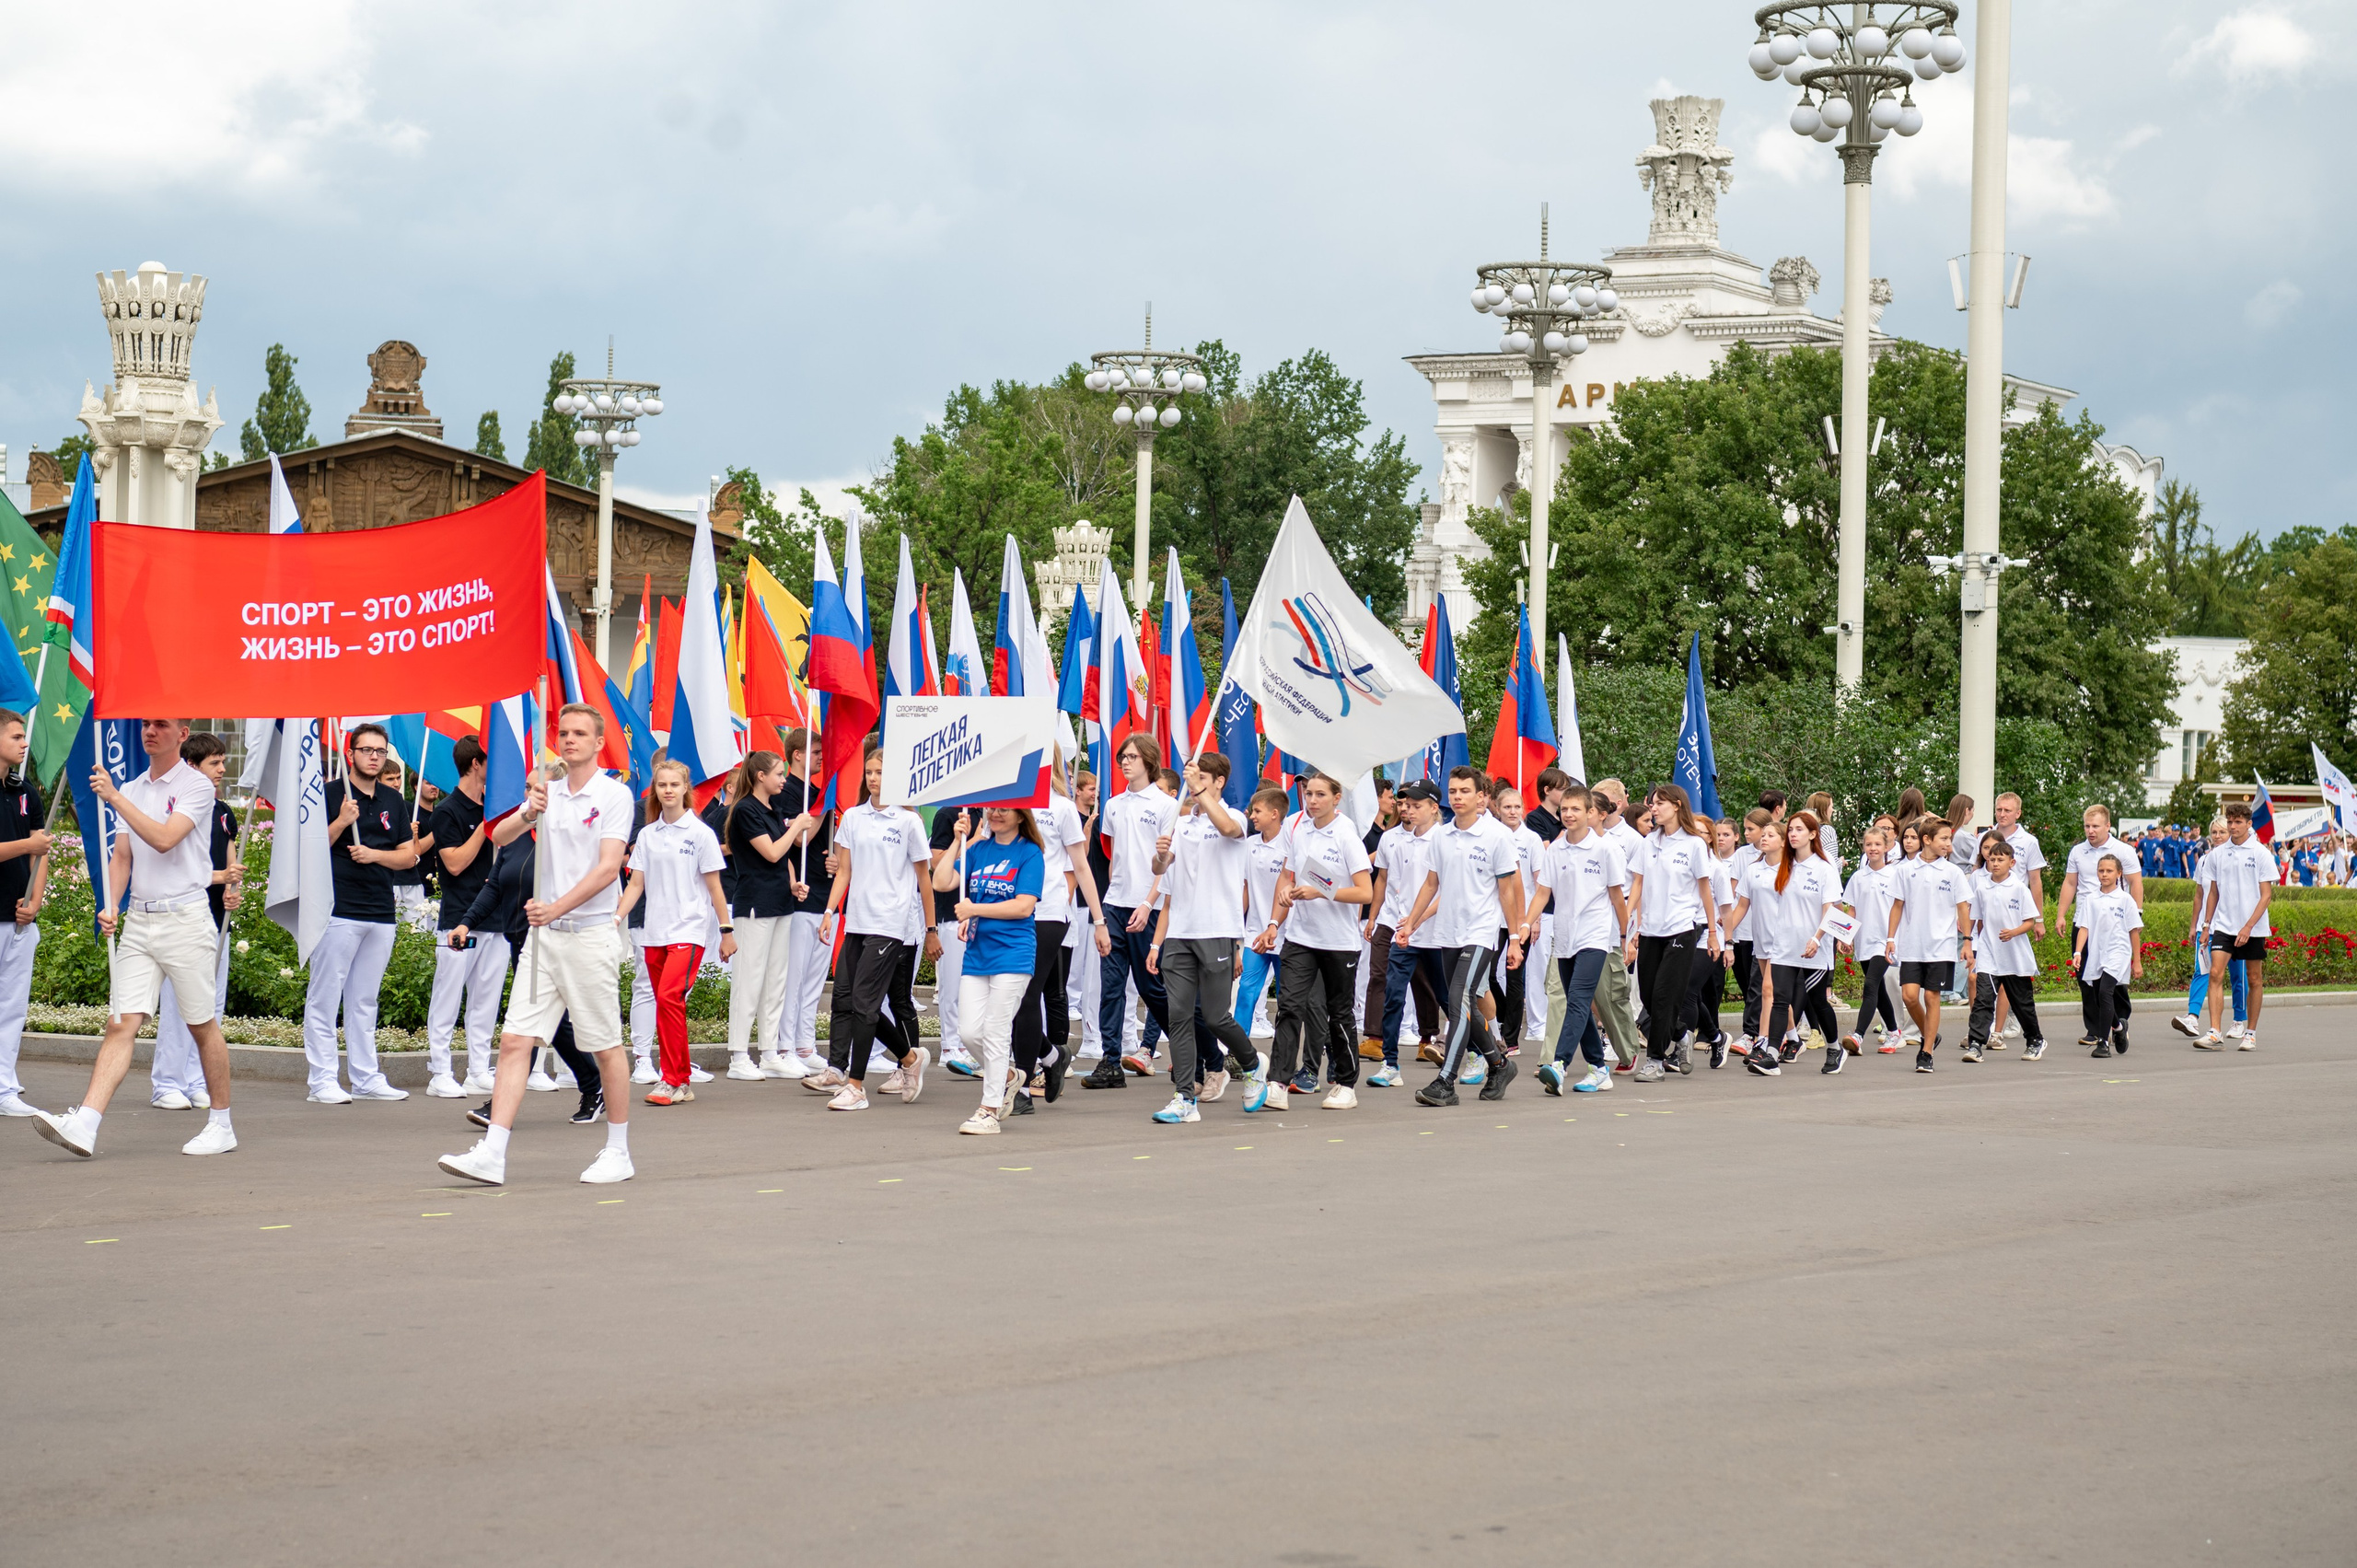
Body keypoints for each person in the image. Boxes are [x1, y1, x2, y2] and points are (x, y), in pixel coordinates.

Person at [436, 703, 638, 1186]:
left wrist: (557, 908)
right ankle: (493, 1152)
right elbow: (499, 835)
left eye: (579, 734)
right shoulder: (548, 793)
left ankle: (618, 1150)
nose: (569, 740)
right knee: (514, 1041)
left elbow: (609, 869)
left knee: (605, 1047)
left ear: (596, 741)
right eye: (563, 733)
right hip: (544, 941)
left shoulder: (613, 795)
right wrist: (531, 809)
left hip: (588, 936)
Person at [29, 718, 238, 1158]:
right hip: (140, 923)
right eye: (145, 724)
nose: (149, 731)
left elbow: (163, 839)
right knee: (121, 1022)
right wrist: (111, 902)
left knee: (202, 1025)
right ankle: (86, 1123)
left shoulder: (197, 787)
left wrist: (116, 797)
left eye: (161, 725)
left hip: (186, 918)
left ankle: (221, 1123)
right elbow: (122, 856)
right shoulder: (136, 786)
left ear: (182, 734)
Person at [302, 722, 419, 1104]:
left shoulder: (392, 800)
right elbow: (308, 849)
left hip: (381, 911)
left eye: (380, 752)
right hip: (339, 909)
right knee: (325, 996)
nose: (373, 757)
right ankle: (321, 1080)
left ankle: (366, 1077)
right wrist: (341, 821)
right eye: (366, 750)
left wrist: (374, 855)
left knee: (365, 1000)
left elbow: (408, 857)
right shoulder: (329, 793)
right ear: (350, 753)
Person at [1398, 765, 1522, 1108]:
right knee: (1465, 1005)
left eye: (1464, 791)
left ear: (1481, 797)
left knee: (1459, 999)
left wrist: (1514, 938)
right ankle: (1500, 1066)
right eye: (1452, 791)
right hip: (1448, 932)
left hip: (1481, 932)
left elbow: (1508, 892)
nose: (1457, 797)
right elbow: (1431, 884)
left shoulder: (1497, 836)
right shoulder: (1441, 836)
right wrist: (1412, 922)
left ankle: (1445, 1082)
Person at [817, 743, 933, 1110]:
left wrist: (930, 929)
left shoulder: (909, 821)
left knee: (866, 1003)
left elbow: (924, 879)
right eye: (869, 772)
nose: (873, 778)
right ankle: (911, 1059)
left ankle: (855, 1085)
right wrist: (829, 911)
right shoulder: (852, 817)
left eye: (881, 772)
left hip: (891, 922)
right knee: (850, 1000)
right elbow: (845, 870)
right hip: (858, 921)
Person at [616, 758, 735, 1105]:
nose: (668, 791)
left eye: (674, 785)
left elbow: (715, 888)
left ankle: (671, 1079)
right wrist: (615, 918)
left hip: (690, 929)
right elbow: (636, 885)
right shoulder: (647, 835)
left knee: (669, 998)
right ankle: (681, 1080)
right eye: (662, 785)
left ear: (686, 789)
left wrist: (726, 931)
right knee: (669, 1004)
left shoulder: (700, 834)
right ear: (655, 789)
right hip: (654, 931)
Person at [1144, 753, 1254, 1123]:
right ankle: (1184, 1098)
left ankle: (1253, 1066)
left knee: (1215, 1017)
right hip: (1180, 933)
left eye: (1203, 777)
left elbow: (1225, 828)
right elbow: (1163, 875)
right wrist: (1160, 858)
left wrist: (1198, 789)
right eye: (1194, 777)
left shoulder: (1234, 817)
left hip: (1218, 929)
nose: (1194, 784)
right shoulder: (1182, 823)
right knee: (1178, 1017)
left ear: (1219, 781)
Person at [1257, 771, 1375, 1111]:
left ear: (1337, 798)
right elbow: (1288, 875)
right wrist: (1274, 922)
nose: (1312, 801)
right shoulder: (1299, 830)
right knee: (1290, 1007)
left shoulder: (1346, 834)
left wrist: (1321, 890)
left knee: (1339, 1014)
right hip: (1301, 938)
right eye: (1309, 794)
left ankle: (1345, 1084)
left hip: (1339, 941)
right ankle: (1277, 1082)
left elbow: (1364, 891)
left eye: (1320, 795)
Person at [931, 805, 1044, 1133]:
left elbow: (1024, 906)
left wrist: (974, 909)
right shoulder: (978, 849)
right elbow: (941, 881)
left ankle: (989, 1109)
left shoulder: (1030, 853)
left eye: (1004, 810)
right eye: (992, 809)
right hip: (978, 955)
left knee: (995, 1032)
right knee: (969, 1032)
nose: (996, 814)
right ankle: (1009, 1076)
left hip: (1014, 954)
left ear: (1021, 815)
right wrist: (958, 840)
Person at [148, 732, 240, 1109]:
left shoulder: (224, 813)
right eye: (214, 763)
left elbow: (230, 865)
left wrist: (232, 887)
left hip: (215, 921)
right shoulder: (175, 808)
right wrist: (218, 878)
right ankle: (166, 1083)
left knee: (210, 1007)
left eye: (222, 762)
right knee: (177, 1007)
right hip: (181, 917)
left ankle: (194, 1079)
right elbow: (173, 862)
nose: (221, 769)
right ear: (191, 766)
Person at [719, 749, 819, 1082]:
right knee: (749, 980)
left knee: (775, 981)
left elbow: (784, 861)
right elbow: (774, 851)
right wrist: (799, 827)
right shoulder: (746, 809)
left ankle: (769, 1053)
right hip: (754, 905)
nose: (783, 779)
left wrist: (792, 885)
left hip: (780, 903)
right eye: (778, 773)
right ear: (760, 776)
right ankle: (737, 1056)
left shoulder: (771, 808)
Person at [1083, 735, 1177, 1090]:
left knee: (1152, 987)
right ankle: (1110, 1062)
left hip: (1146, 906)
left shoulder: (1165, 805)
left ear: (1149, 761)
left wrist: (1148, 902)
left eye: (1133, 756)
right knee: (1110, 987)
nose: (1125, 762)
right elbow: (1112, 857)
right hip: (1115, 905)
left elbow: (1167, 863)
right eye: (1123, 756)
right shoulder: (1113, 805)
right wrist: (1106, 908)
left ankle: (1187, 1051)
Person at [1011, 757, 1102, 1112]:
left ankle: (1019, 1086)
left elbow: (1080, 866)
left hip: (1048, 911)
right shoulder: (1006, 803)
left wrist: (1099, 920)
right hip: (1008, 909)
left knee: (1027, 995)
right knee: (1010, 998)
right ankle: (1050, 1055)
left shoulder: (1062, 808)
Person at [1525, 781, 1628, 1095]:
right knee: (1575, 1003)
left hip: (1595, 935)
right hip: (1565, 935)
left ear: (1591, 813)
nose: (1569, 814)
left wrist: (1626, 936)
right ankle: (1598, 1068)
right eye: (1564, 809)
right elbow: (1543, 892)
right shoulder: (1556, 849)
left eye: (1575, 809)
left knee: (1580, 999)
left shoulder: (1606, 848)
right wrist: (1525, 924)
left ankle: (1559, 1063)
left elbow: (1617, 897)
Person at [1724, 812, 1840, 1077]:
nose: (1793, 834)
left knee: (1818, 1001)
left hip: (1814, 947)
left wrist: (1818, 938)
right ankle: (1772, 1055)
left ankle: (1834, 1048)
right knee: (1778, 999)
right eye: (1791, 830)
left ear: (1812, 834)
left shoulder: (1825, 868)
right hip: (1783, 945)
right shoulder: (1784, 866)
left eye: (1799, 830)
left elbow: (1832, 908)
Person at [424, 735, 499, 1098]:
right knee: (448, 997)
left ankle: (478, 1069)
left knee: (486, 1000)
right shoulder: (447, 810)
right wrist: (486, 825)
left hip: (494, 918)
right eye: (491, 761)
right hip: (459, 920)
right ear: (475, 764)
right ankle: (439, 1072)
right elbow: (453, 864)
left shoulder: (495, 806)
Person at [1630, 783, 1719, 1081]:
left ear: (1677, 806)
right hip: (1650, 928)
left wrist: (1714, 933)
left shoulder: (1693, 844)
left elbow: (1705, 890)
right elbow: (1637, 885)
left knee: (1665, 996)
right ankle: (1681, 1034)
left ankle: (1655, 1060)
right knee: (1648, 996)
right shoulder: (1647, 843)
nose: (1653, 808)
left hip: (1682, 929)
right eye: (1652, 804)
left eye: (1659, 804)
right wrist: (1625, 920)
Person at [1368, 780, 1445, 1085]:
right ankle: (1390, 1064)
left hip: (1438, 935)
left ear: (1434, 808)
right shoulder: (1394, 840)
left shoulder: (1445, 840)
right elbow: (1388, 883)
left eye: (1416, 805)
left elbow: (1441, 891)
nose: (1408, 811)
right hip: (1404, 932)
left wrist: (1417, 920)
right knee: (1393, 993)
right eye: (1405, 805)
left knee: (1446, 998)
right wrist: (1388, 921)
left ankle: (1482, 1053)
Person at [1887, 818, 1973, 1073]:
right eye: (1944, 839)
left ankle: (1926, 1052)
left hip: (1942, 946)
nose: (1949, 844)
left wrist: (1967, 941)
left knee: (1932, 996)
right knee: (1910, 996)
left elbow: (1963, 908)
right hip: (1912, 945)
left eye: (1950, 839)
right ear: (1927, 840)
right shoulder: (1905, 870)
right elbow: (1897, 906)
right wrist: (1890, 938)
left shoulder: (1953, 872)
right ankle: (1930, 1033)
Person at [772, 727, 833, 1080]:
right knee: (793, 977)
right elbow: (801, 838)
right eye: (816, 752)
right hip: (800, 898)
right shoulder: (788, 792)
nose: (822, 758)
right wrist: (824, 803)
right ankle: (784, 1047)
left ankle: (805, 1044)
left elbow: (829, 839)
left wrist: (838, 858)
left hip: (826, 896)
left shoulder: (820, 792)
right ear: (797, 754)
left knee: (814, 979)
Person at [0, 709, 51, 1121]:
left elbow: (41, 849)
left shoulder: (25, 790)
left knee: (12, 1009)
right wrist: (30, 846)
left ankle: (4, 1088)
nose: (23, 742)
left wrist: (35, 901)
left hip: (17, 922)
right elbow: (32, 845)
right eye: (16, 736)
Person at [2195, 800, 2272, 1051]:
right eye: (2230, 822)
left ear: (2249, 824)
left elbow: (2266, 896)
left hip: (2253, 928)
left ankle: (2250, 1033)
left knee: (2254, 978)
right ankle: (2215, 1031)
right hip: (2224, 926)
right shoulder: (2217, 854)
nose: (2232, 826)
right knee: (2215, 974)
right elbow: (2212, 893)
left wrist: (2248, 926)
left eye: (2238, 822)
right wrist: (2206, 925)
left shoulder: (2260, 853)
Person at [1965, 835, 2049, 1062]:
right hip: (1989, 956)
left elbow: (2030, 921)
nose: (1995, 863)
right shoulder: (1982, 888)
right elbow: (1978, 920)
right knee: (1983, 1000)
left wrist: (2013, 932)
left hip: (2015, 958)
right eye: (1992, 858)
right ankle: (1975, 1044)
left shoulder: (2019, 888)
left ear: (2012, 863)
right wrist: (1974, 943)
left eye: (2000, 859)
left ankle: (2035, 1040)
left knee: (2022, 1004)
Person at [1586, 779, 1646, 1071]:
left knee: (1614, 990)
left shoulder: (1632, 839)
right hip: (1590, 921)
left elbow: (1638, 885)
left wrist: (1632, 932)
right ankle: (1605, 1035)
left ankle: (1623, 1041)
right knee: (1589, 992)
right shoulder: (1584, 837)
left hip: (1619, 918)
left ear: (1616, 804)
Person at [1234, 786, 1290, 1053]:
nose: (1252, 816)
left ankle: (1286, 1052)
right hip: (1255, 931)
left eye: (1257, 811)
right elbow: (1245, 887)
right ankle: (1238, 1051)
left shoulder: (1291, 846)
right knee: (1246, 990)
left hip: (1286, 933)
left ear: (1274, 814)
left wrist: (1276, 924)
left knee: (1288, 999)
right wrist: (1236, 922)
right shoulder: (1249, 845)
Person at [1839, 824, 1903, 1053]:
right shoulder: (1858, 877)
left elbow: (1902, 907)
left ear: (1887, 847)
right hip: (1865, 941)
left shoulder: (1896, 874)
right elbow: (1852, 910)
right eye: (1868, 844)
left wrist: (1892, 937)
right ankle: (1894, 1032)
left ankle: (1857, 1035)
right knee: (1878, 988)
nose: (1873, 848)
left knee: (1870, 984)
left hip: (1887, 941)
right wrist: (1845, 937)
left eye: (1877, 844)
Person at [2074, 854, 2144, 1057]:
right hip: (2097, 953)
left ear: (2119, 873)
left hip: (2118, 952)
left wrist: (2137, 962)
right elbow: (2084, 927)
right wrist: (2078, 952)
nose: (2104, 874)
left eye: (2109, 871)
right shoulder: (2091, 899)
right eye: (2101, 871)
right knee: (2098, 996)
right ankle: (2119, 1028)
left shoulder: (2125, 899)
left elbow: (2133, 931)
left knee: (2106, 992)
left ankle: (2103, 1042)